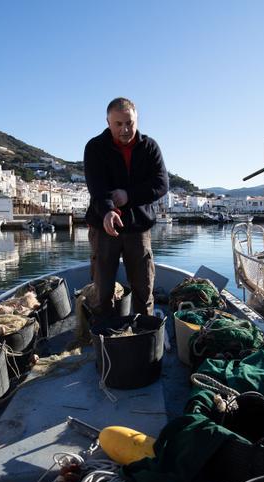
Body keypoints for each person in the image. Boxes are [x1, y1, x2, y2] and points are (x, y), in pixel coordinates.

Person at [84, 97, 169, 319]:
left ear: (137, 120)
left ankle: (144, 335)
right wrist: (108, 211)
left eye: (129, 123)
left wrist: (128, 195)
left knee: (143, 287)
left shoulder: (149, 147)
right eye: (118, 124)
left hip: (138, 228)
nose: (125, 129)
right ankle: (107, 337)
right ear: (108, 122)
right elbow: (97, 187)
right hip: (104, 228)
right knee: (102, 290)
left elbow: (161, 184)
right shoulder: (94, 148)